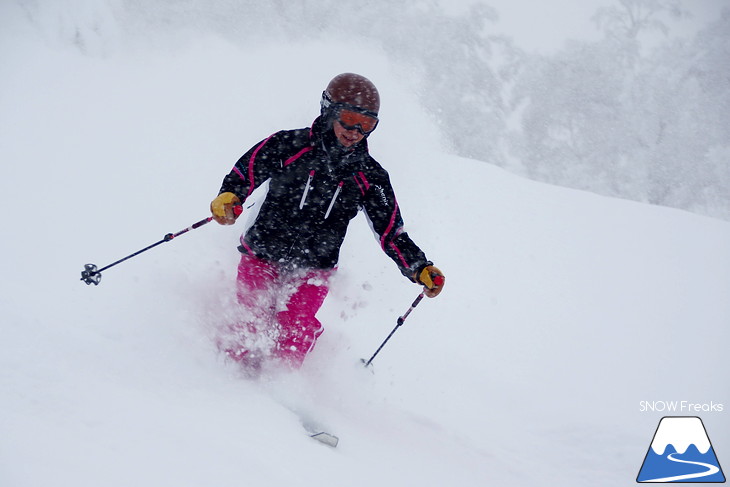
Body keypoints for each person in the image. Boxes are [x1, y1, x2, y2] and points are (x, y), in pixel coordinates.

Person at [210, 73, 445, 369]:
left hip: (315, 265)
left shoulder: (369, 176)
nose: (356, 131)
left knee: (294, 328)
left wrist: (419, 267)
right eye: (348, 119)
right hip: (263, 251)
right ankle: (221, 378)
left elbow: (391, 232)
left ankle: (283, 387)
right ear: (329, 110)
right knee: (250, 321)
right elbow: (246, 171)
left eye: (367, 124)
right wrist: (230, 197)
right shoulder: (289, 145)